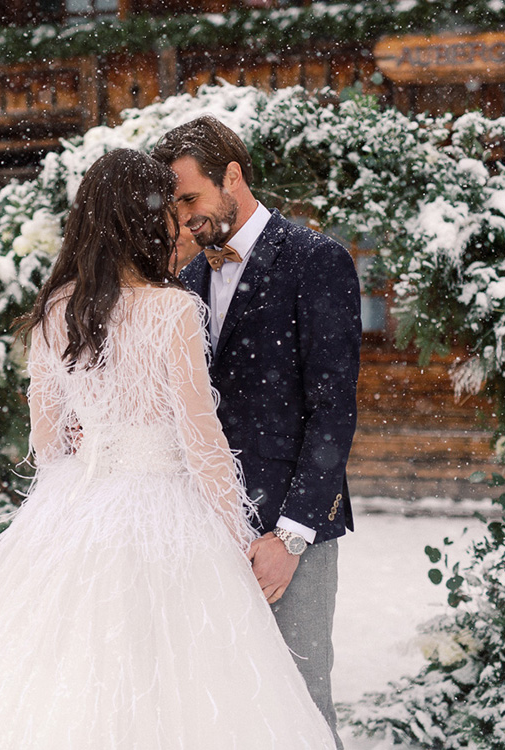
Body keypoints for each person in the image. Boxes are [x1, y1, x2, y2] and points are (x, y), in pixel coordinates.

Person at [0, 149, 336, 749]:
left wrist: (99, 435)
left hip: (74, 512)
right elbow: (204, 442)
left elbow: (46, 439)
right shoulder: (172, 309)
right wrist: (242, 539)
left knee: (68, 679)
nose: (177, 223)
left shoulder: (57, 308)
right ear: (145, 219)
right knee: (180, 688)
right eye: (169, 209)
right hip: (167, 514)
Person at [153, 116, 362, 747]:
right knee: (219, 709)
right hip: (206, 531)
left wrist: (289, 537)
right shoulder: (185, 284)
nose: (185, 217)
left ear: (233, 175)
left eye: (191, 197)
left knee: (299, 706)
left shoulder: (315, 260)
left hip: (289, 532)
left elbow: (333, 409)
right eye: (174, 205)